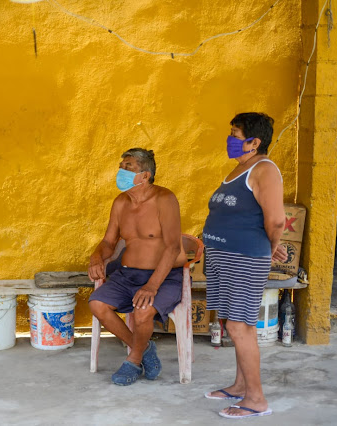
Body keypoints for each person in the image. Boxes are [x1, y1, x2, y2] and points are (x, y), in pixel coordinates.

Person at [202, 112, 286, 419]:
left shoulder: (264, 170)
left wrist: (270, 247)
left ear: (255, 141)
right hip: (225, 256)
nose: (231, 139)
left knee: (240, 326)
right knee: (232, 323)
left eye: (236, 135)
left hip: (244, 258)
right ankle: (239, 386)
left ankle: (256, 400)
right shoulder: (239, 170)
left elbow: (276, 219)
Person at [88, 148, 186, 385]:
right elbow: (109, 242)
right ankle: (143, 348)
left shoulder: (165, 198)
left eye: (128, 167)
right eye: (121, 166)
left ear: (145, 175)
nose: (121, 171)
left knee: (143, 312)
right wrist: (96, 258)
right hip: (127, 275)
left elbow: (173, 247)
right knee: (97, 304)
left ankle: (133, 360)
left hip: (163, 277)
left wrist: (152, 286)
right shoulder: (121, 202)